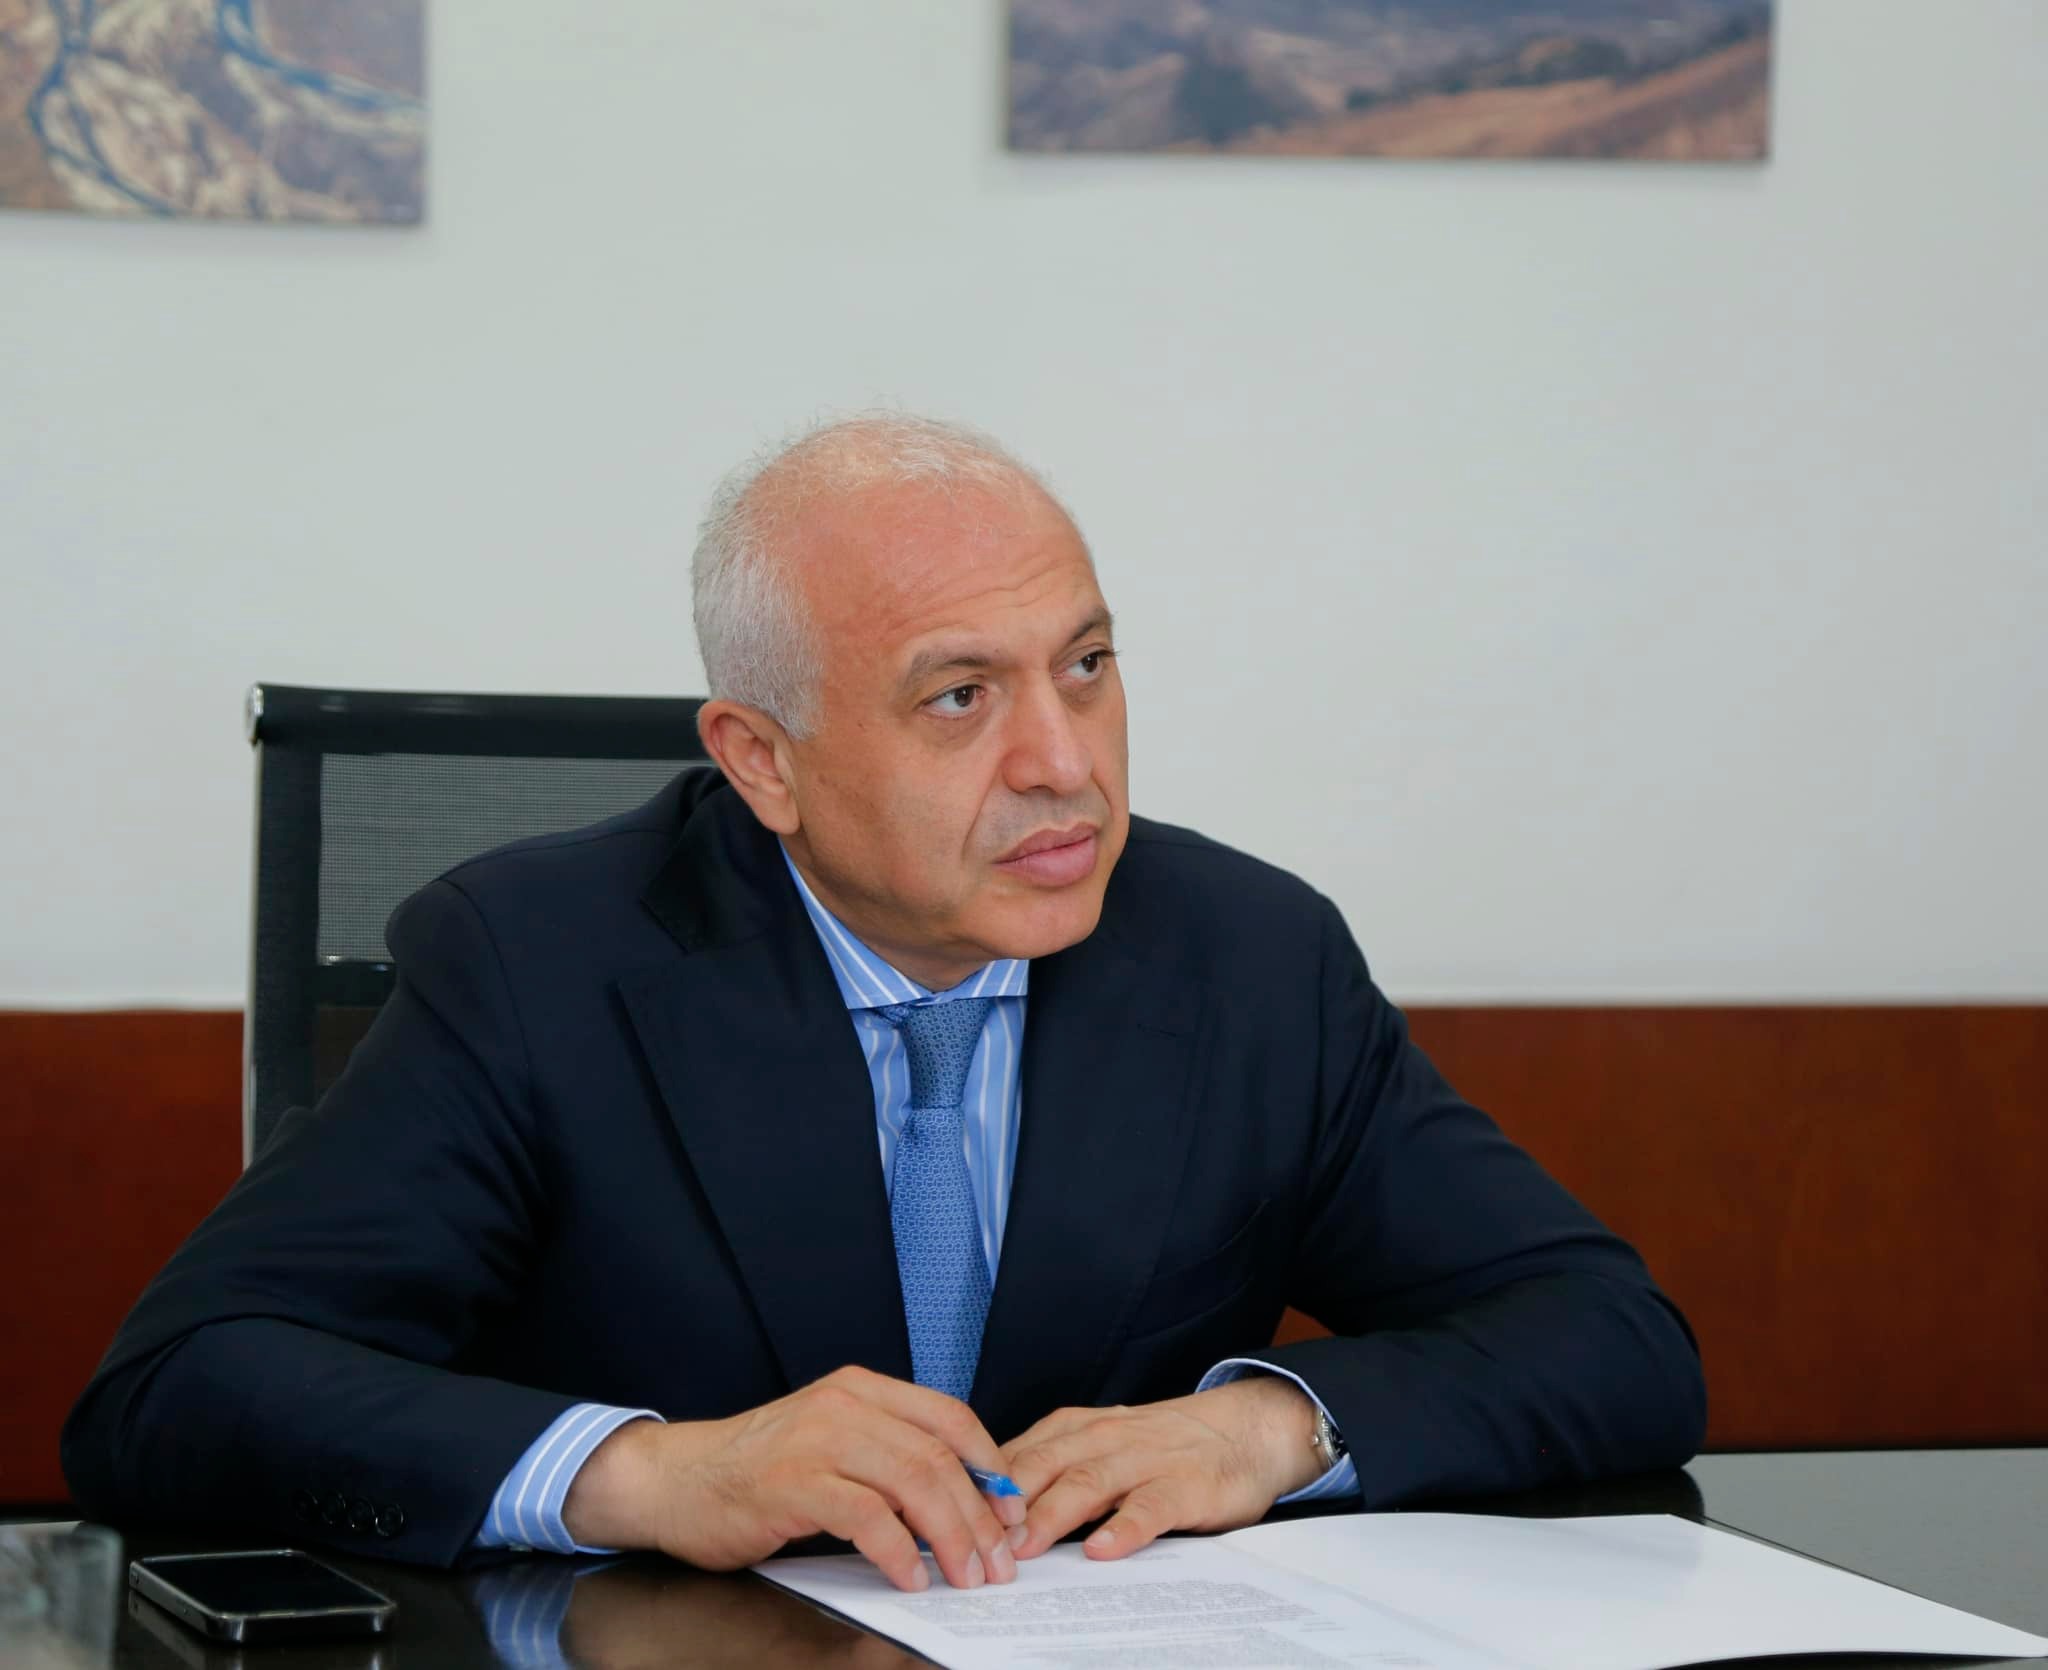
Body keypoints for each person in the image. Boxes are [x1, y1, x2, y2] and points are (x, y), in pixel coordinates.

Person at [63, 414, 1705, 1595]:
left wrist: (1271, 1429)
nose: (1064, 763)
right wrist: (653, 1470)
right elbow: (180, 1386)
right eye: (961, 696)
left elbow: (1610, 1336)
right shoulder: (537, 963)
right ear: (761, 761)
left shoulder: (1249, 957)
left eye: (1086, 665)